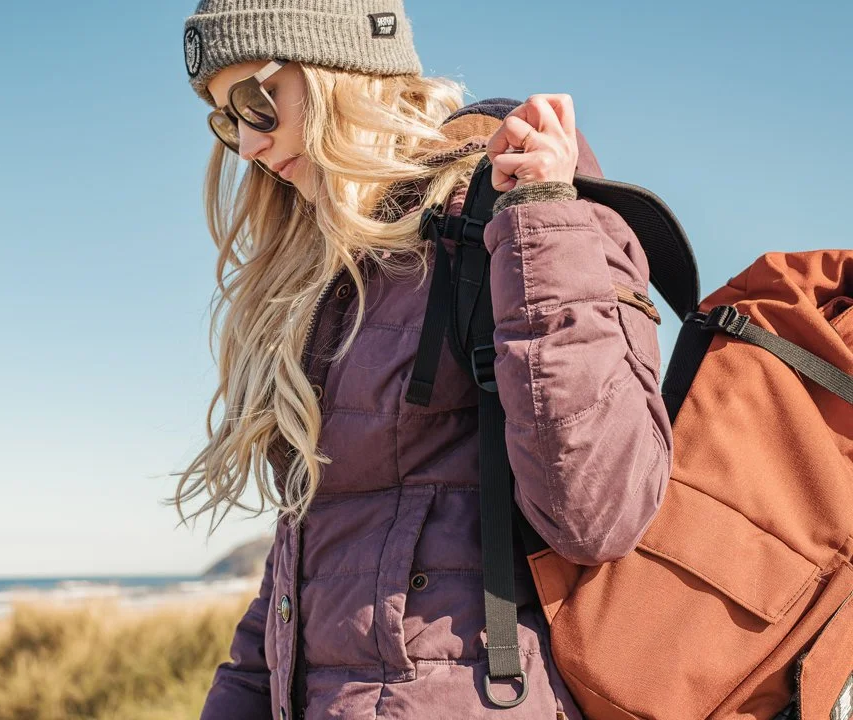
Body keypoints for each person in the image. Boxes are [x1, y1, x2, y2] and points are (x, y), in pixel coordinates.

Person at [170, 1, 673, 718]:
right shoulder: (324, 277)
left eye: (257, 101)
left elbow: (597, 514)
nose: (248, 145)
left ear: (344, 67)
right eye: (227, 120)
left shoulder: (527, 217)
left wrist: (539, 220)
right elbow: (307, 574)